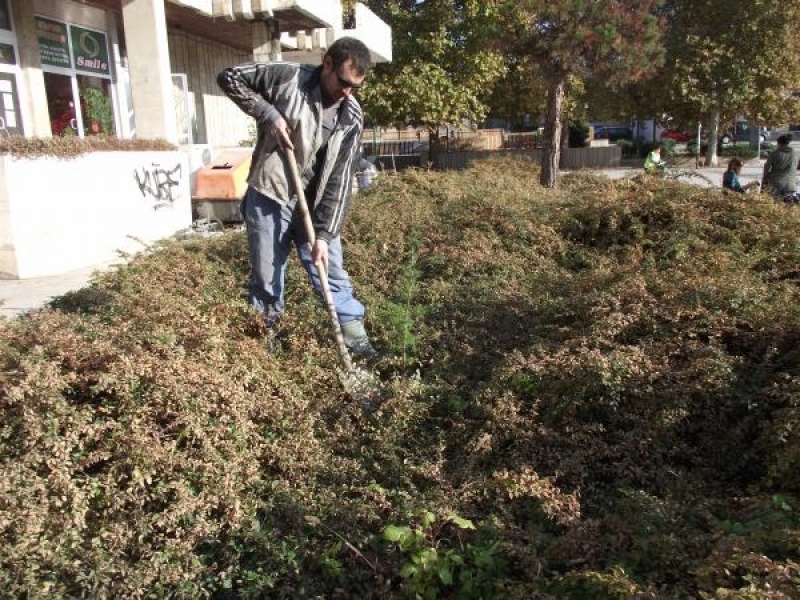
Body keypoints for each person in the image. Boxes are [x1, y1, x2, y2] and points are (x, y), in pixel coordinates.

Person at [217, 37, 378, 358]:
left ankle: (358, 348)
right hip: (271, 195)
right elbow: (230, 76)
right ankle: (267, 349)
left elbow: (340, 180)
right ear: (328, 64)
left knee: (332, 274)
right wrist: (267, 114)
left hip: (316, 206)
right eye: (344, 82)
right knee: (267, 277)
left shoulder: (351, 116)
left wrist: (324, 234)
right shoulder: (287, 78)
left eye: (355, 86)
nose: (347, 91)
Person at [761, 134, 799, 200]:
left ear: (779, 143)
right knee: (789, 208)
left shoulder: (774, 153)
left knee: (775, 207)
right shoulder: (795, 153)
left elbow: (766, 168)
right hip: (791, 185)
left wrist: (764, 181)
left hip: (776, 185)